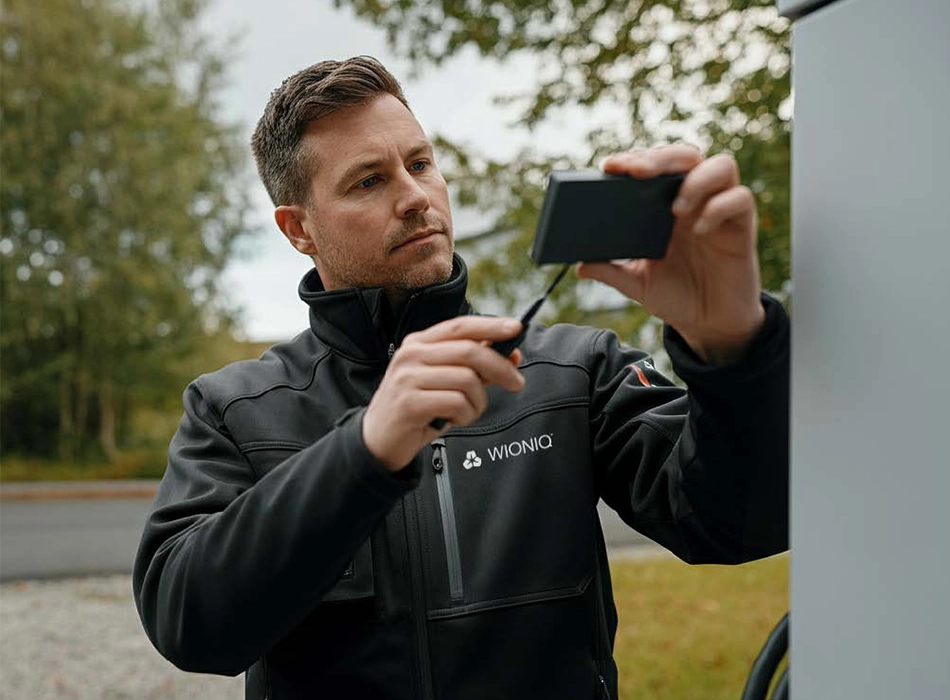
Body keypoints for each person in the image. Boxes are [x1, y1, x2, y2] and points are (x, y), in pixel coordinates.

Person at [133, 55, 789, 700]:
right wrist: (363, 451)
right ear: (298, 228)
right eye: (369, 181)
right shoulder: (236, 409)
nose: (416, 197)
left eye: (419, 164)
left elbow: (741, 524)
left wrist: (731, 344)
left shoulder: (571, 372)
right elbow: (190, 626)